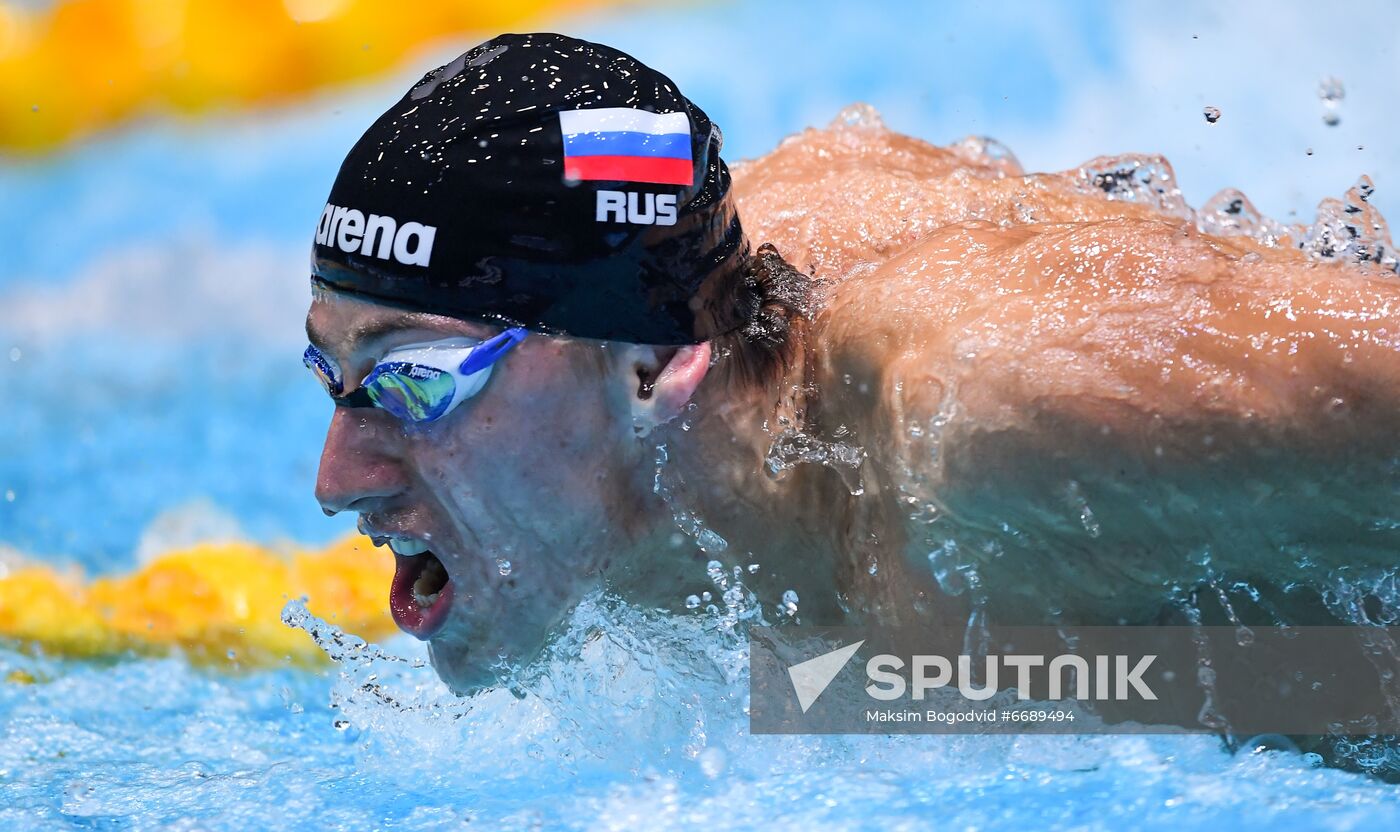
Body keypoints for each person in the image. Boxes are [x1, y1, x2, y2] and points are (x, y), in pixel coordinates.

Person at [305, 32, 1400, 693]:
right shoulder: (660, 442)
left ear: (647, 365)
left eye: (414, 381)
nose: (336, 477)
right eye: (334, 376)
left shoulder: (999, 422)